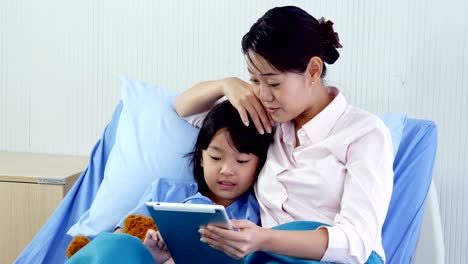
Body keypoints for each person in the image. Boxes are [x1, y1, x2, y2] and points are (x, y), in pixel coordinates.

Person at [173, 5, 394, 264]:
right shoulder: (268, 119)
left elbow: (355, 242)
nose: (264, 95)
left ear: (313, 70)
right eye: (255, 81)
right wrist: (227, 84)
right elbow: (184, 108)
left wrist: (264, 239)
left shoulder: (364, 133)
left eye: (274, 83)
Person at [65, 100, 273, 264]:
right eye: (216, 158)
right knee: (116, 244)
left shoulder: (256, 213)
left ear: (259, 164)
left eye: (242, 161)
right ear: (201, 157)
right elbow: (121, 238)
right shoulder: (165, 191)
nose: (226, 171)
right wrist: (149, 255)